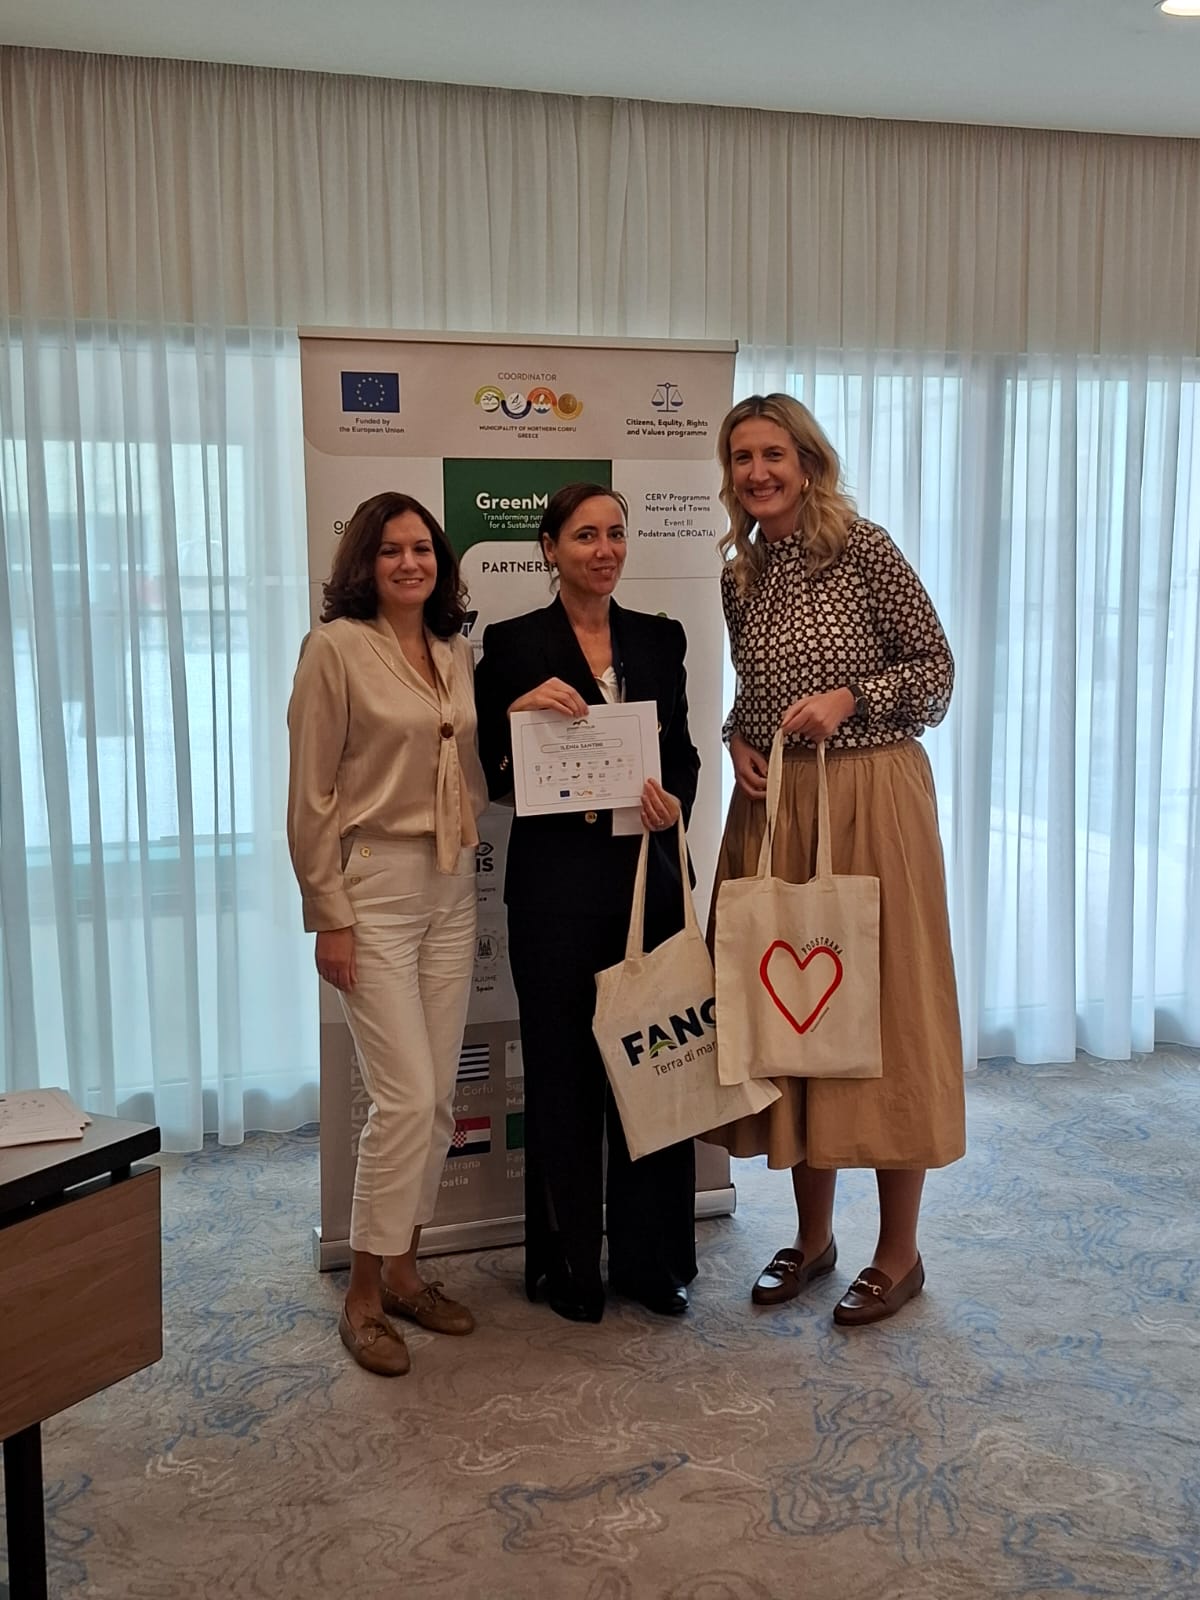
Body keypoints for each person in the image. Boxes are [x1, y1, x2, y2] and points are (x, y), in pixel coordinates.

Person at [708, 393, 965, 1327]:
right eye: (742, 458)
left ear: (808, 463)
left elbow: (935, 671)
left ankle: (899, 1253)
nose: (757, 472)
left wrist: (850, 697)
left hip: (873, 796)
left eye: (773, 454)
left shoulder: (865, 548)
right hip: (779, 804)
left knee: (884, 1011)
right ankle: (813, 1240)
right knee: (793, 1015)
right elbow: (754, 690)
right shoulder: (740, 575)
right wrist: (739, 737)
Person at [474, 482, 701, 1323]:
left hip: (646, 886)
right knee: (564, 1079)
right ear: (549, 548)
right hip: (554, 897)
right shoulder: (512, 644)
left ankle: (651, 1261)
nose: (604, 550)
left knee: (655, 1073)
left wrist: (674, 800)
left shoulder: (660, 638)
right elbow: (489, 769)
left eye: (615, 533)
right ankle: (570, 1264)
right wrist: (516, 713)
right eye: (583, 536)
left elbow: (683, 755)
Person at [287, 491, 487, 1375]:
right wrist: (328, 913)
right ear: (363, 563)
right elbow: (310, 796)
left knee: (436, 1100)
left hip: (451, 883)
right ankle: (362, 1295)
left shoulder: (452, 650)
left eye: (423, 549)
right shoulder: (334, 649)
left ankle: (406, 1271)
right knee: (402, 1100)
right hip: (373, 886)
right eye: (391, 550)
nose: (410, 563)